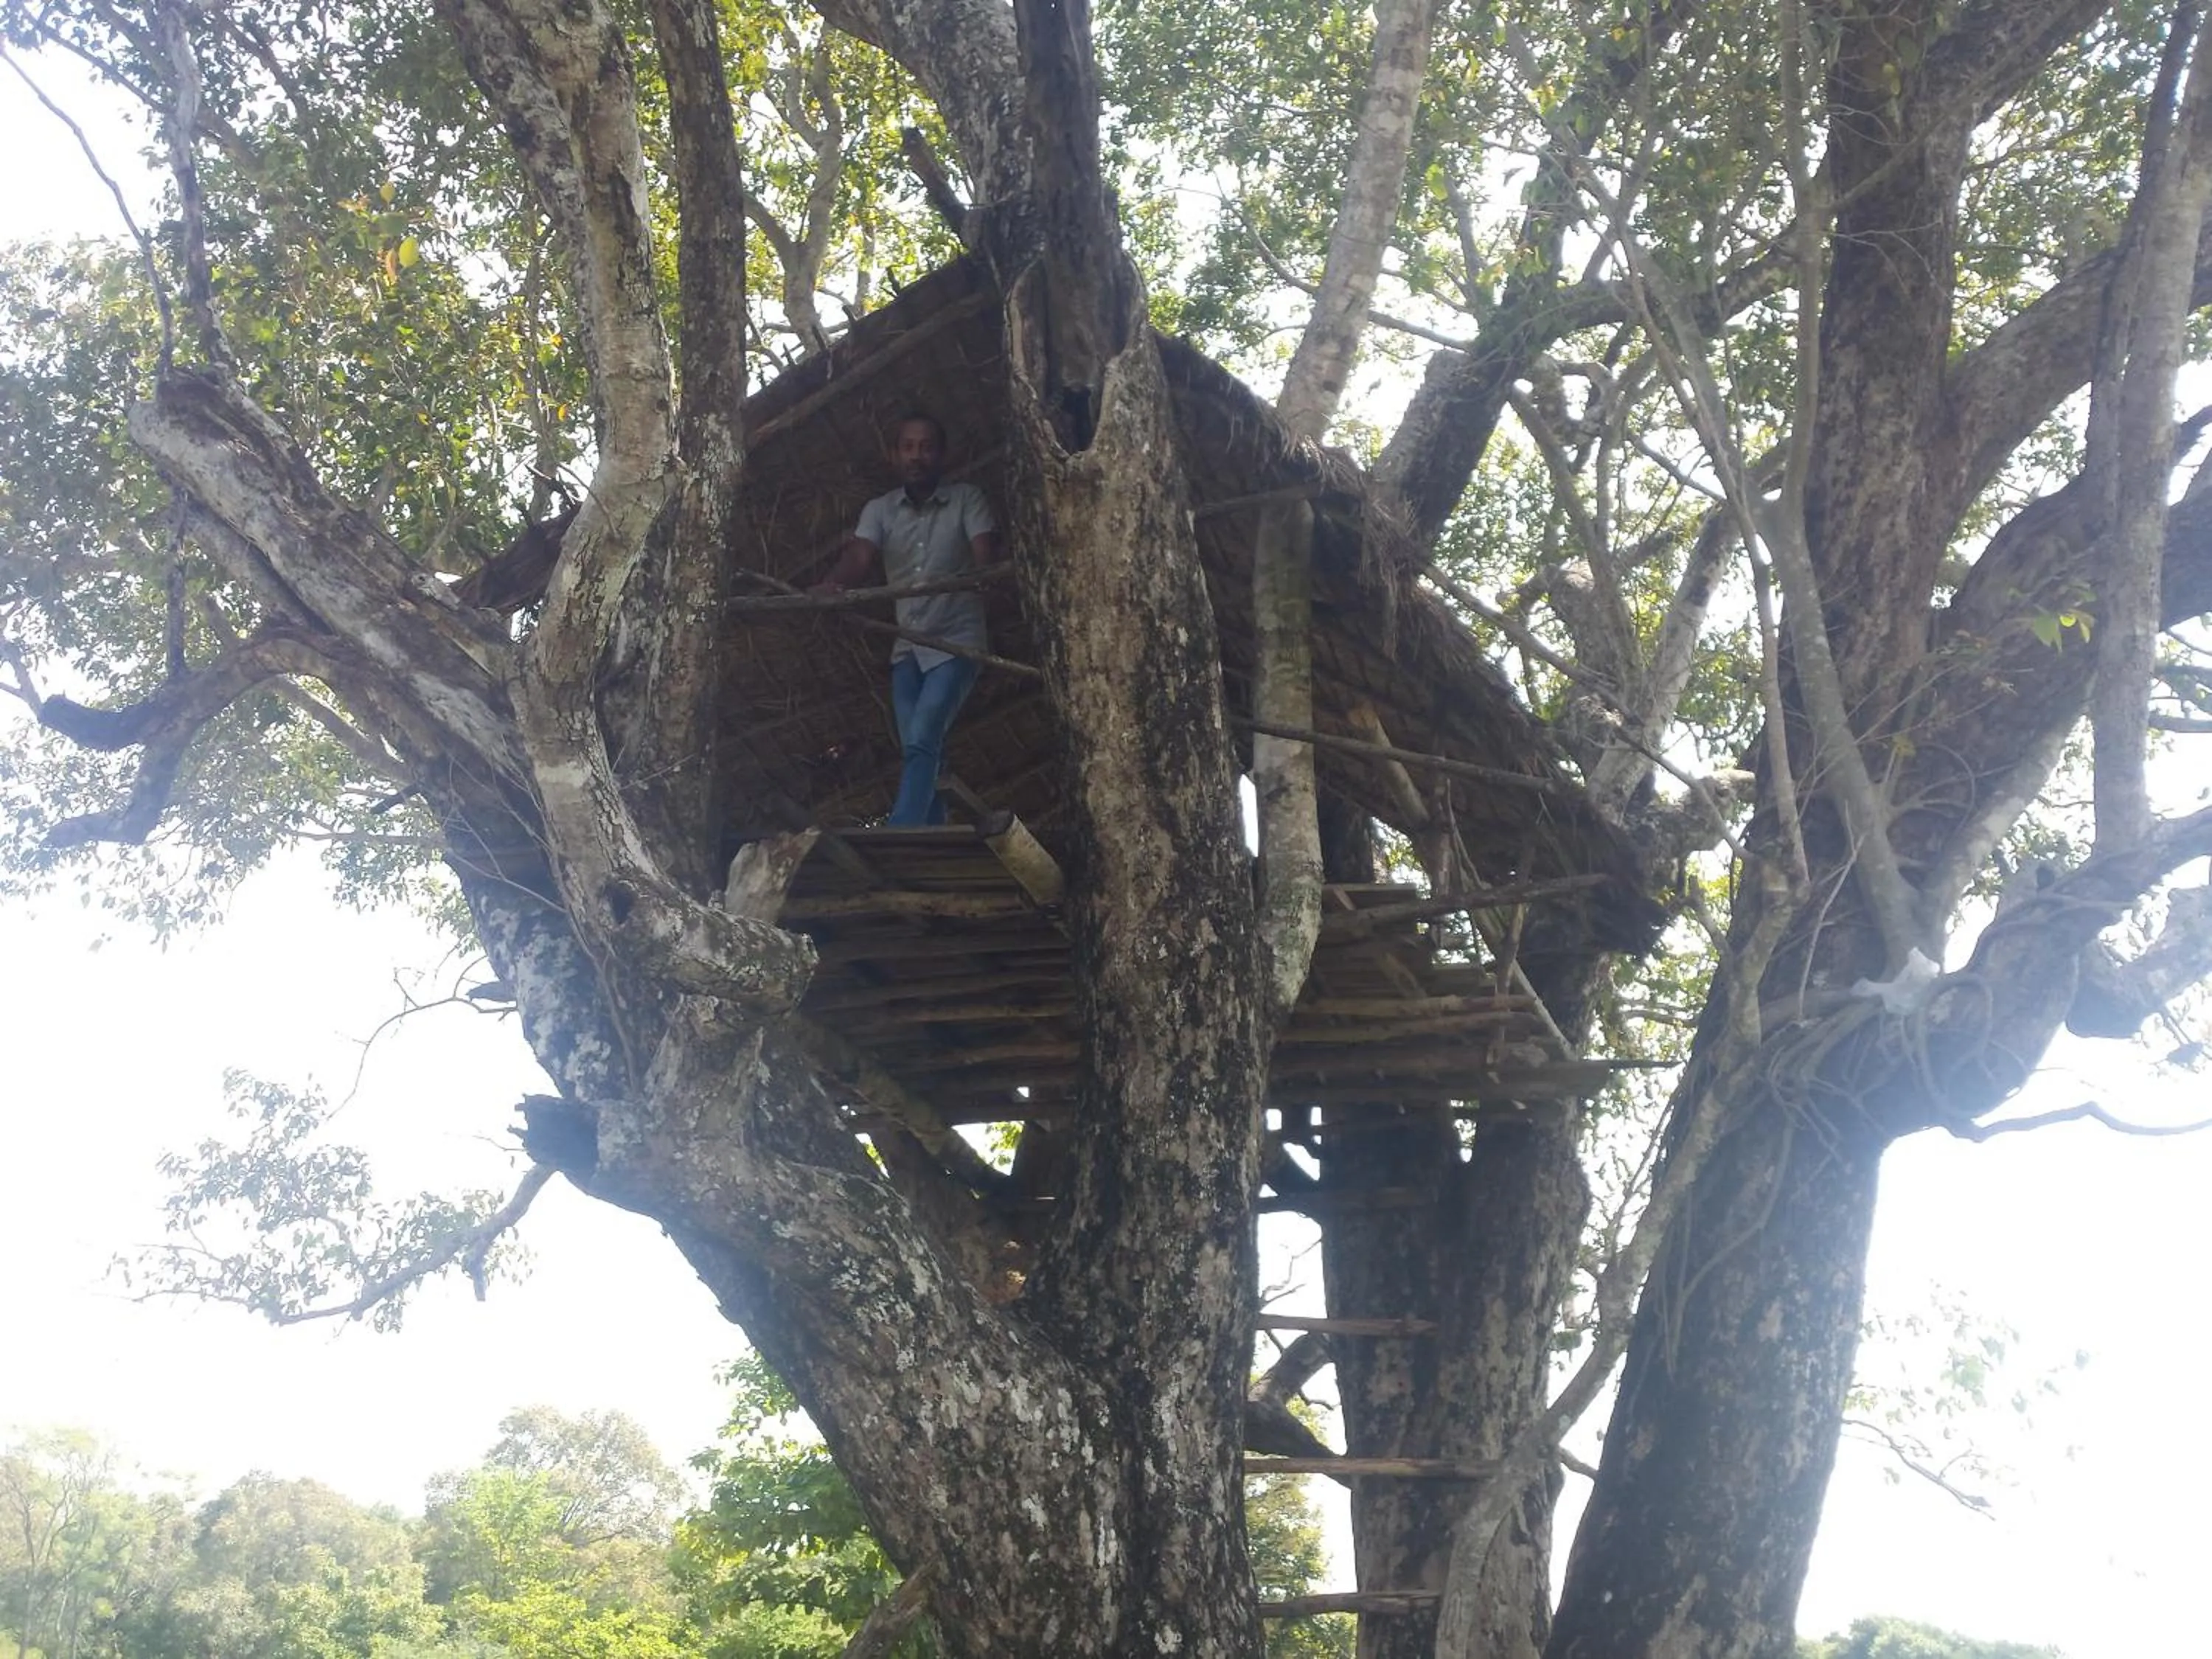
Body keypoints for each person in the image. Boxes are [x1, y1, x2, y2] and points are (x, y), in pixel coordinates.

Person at [815, 412, 1000, 826]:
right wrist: (831, 586)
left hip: (957, 643)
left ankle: (901, 829)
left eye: (927, 447)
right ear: (895, 455)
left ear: (941, 455)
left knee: (921, 740)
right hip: (908, 648)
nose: (917, 456)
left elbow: (985, 551)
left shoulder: (967, 500)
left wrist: (986, 573)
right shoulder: (880, 510)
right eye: (909, 447)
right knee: (923, 744)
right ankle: (934, 831)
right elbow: (861, 555)